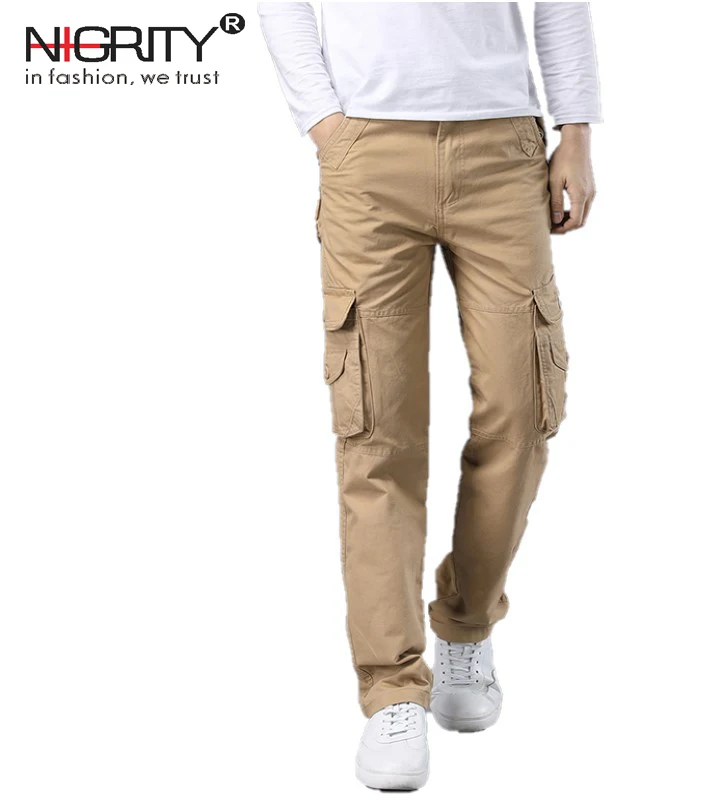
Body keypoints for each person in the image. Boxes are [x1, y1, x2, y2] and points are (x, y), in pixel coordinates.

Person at [259, 1, 601, 790]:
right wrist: (326, 124)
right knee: (377, 427)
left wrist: (576, 131)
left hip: (502, 148)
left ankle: (466, 624)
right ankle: (391, 689)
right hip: (368, 146)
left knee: (525, 406)